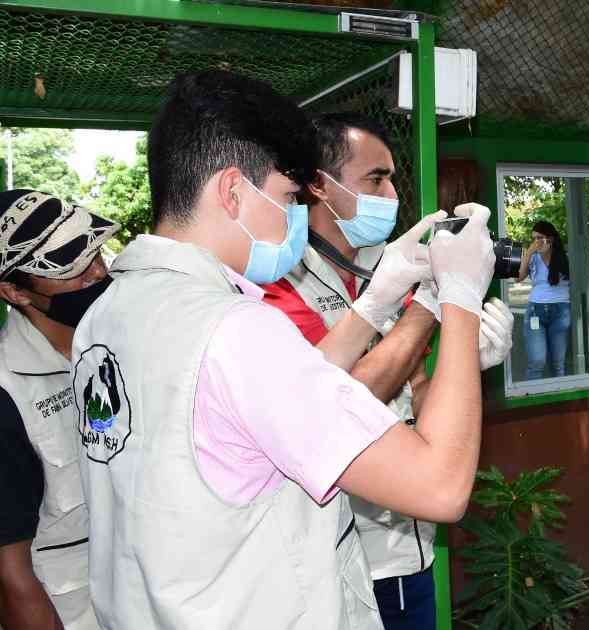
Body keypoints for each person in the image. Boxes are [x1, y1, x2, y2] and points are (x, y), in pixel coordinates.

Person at [70, 70, 496, 630]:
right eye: (290, 197)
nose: (296, 216)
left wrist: (375, 301)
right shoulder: (235, 330)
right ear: (232, 191)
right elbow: (439, 487)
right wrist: (458, 298)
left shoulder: (107, 316)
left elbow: (272, 406)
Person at [260, 112, 512, 630]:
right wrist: (432, 303)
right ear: (318, 185)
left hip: (411, 545)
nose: (392, 194)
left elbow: (417, 397)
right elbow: (325, 409)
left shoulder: (391, 264)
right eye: (376, 179)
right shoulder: (281, 281)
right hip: (341, 556)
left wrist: (467, 364)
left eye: (393, 178)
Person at [0, 190, 114, 630]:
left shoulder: (123, 337)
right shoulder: (8, 392)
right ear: (15, 290)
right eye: (71, 267)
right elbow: (10, 574)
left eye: (95, 254)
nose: (97, 273)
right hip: (76, 609)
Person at [515, 220, 570, 379]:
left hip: (560, 311)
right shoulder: (533, 257)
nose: (536, 242)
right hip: (535, 311)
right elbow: (518, 277)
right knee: (537, 361)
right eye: (534, 238)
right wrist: (529, 253)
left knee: (558, 363)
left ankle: (559, 394)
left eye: (539, 238)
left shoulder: (564, 257)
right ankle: (532, 394)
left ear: (550, 239)